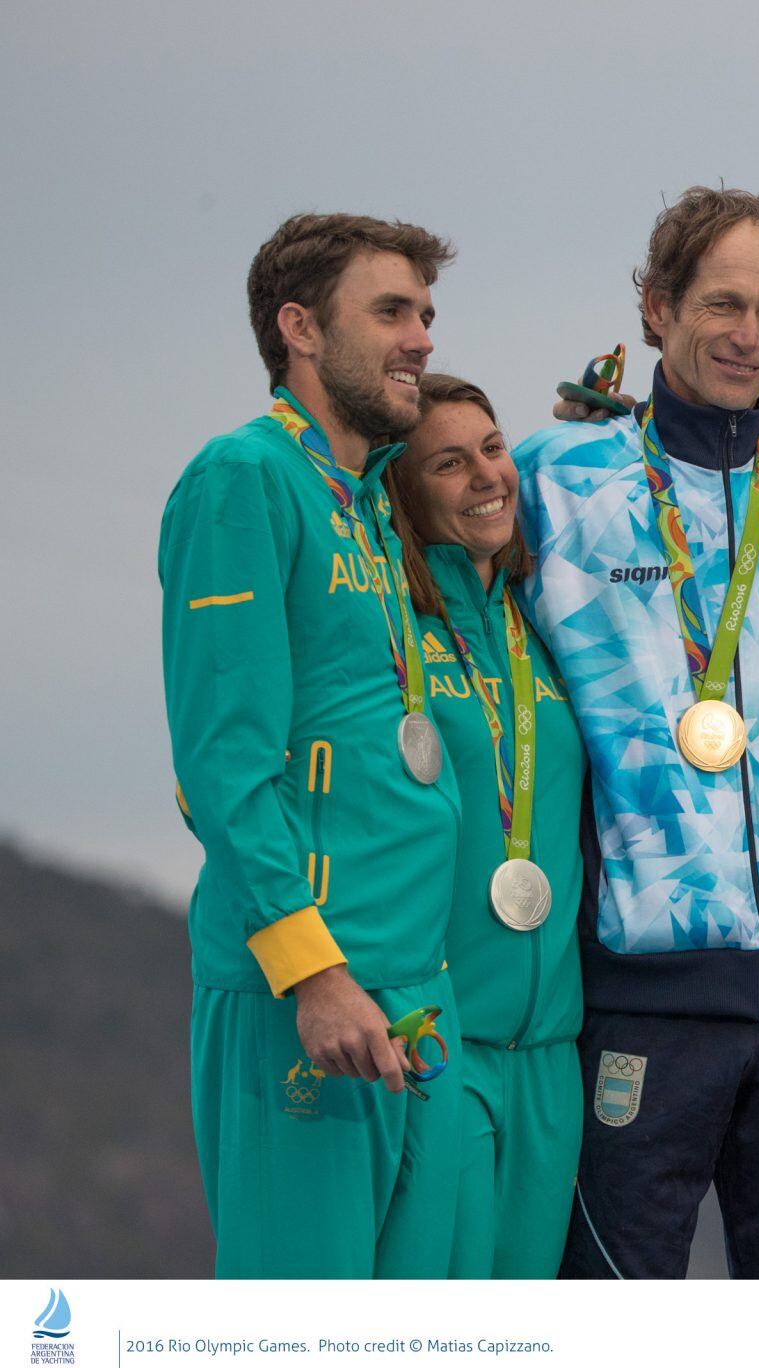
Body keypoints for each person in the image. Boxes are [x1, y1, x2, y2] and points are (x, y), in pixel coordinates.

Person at [514, 187, 759, 1278]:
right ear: (656, 306)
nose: (746, 335)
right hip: (642, 992)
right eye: (721, 304)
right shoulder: (553, 480)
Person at [159, 212, 464, 1277]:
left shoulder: (371, 507)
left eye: (425, 314)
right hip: (314, 997)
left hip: (419, 997)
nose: (422, 337)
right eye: (390, 312)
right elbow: (223, 766)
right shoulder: (241, 479)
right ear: (298, 328)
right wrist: (312, 975)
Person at [384, 374, 588, 1278]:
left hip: (550, 1050)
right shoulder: (393, 629)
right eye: (449, 462)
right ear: (403, 488)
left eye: (493, 450)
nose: (485, 477)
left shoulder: (539, 624)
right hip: (443, 1039)